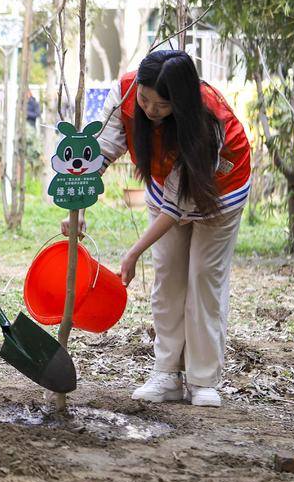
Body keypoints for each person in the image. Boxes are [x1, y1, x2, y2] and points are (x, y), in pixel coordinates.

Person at [72, 49, 250, 407]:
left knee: (203, 280)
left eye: (162, 106)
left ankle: (202, 380)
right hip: (164, 186)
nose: (150, 111)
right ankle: (166, 373)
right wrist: (78, 204)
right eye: (145, 99)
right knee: (167, 278)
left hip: (219, 192)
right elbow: (99, 152)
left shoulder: (208, 121)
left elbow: (176, 204)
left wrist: (133, 252)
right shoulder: (124, 92)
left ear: (180, 103)